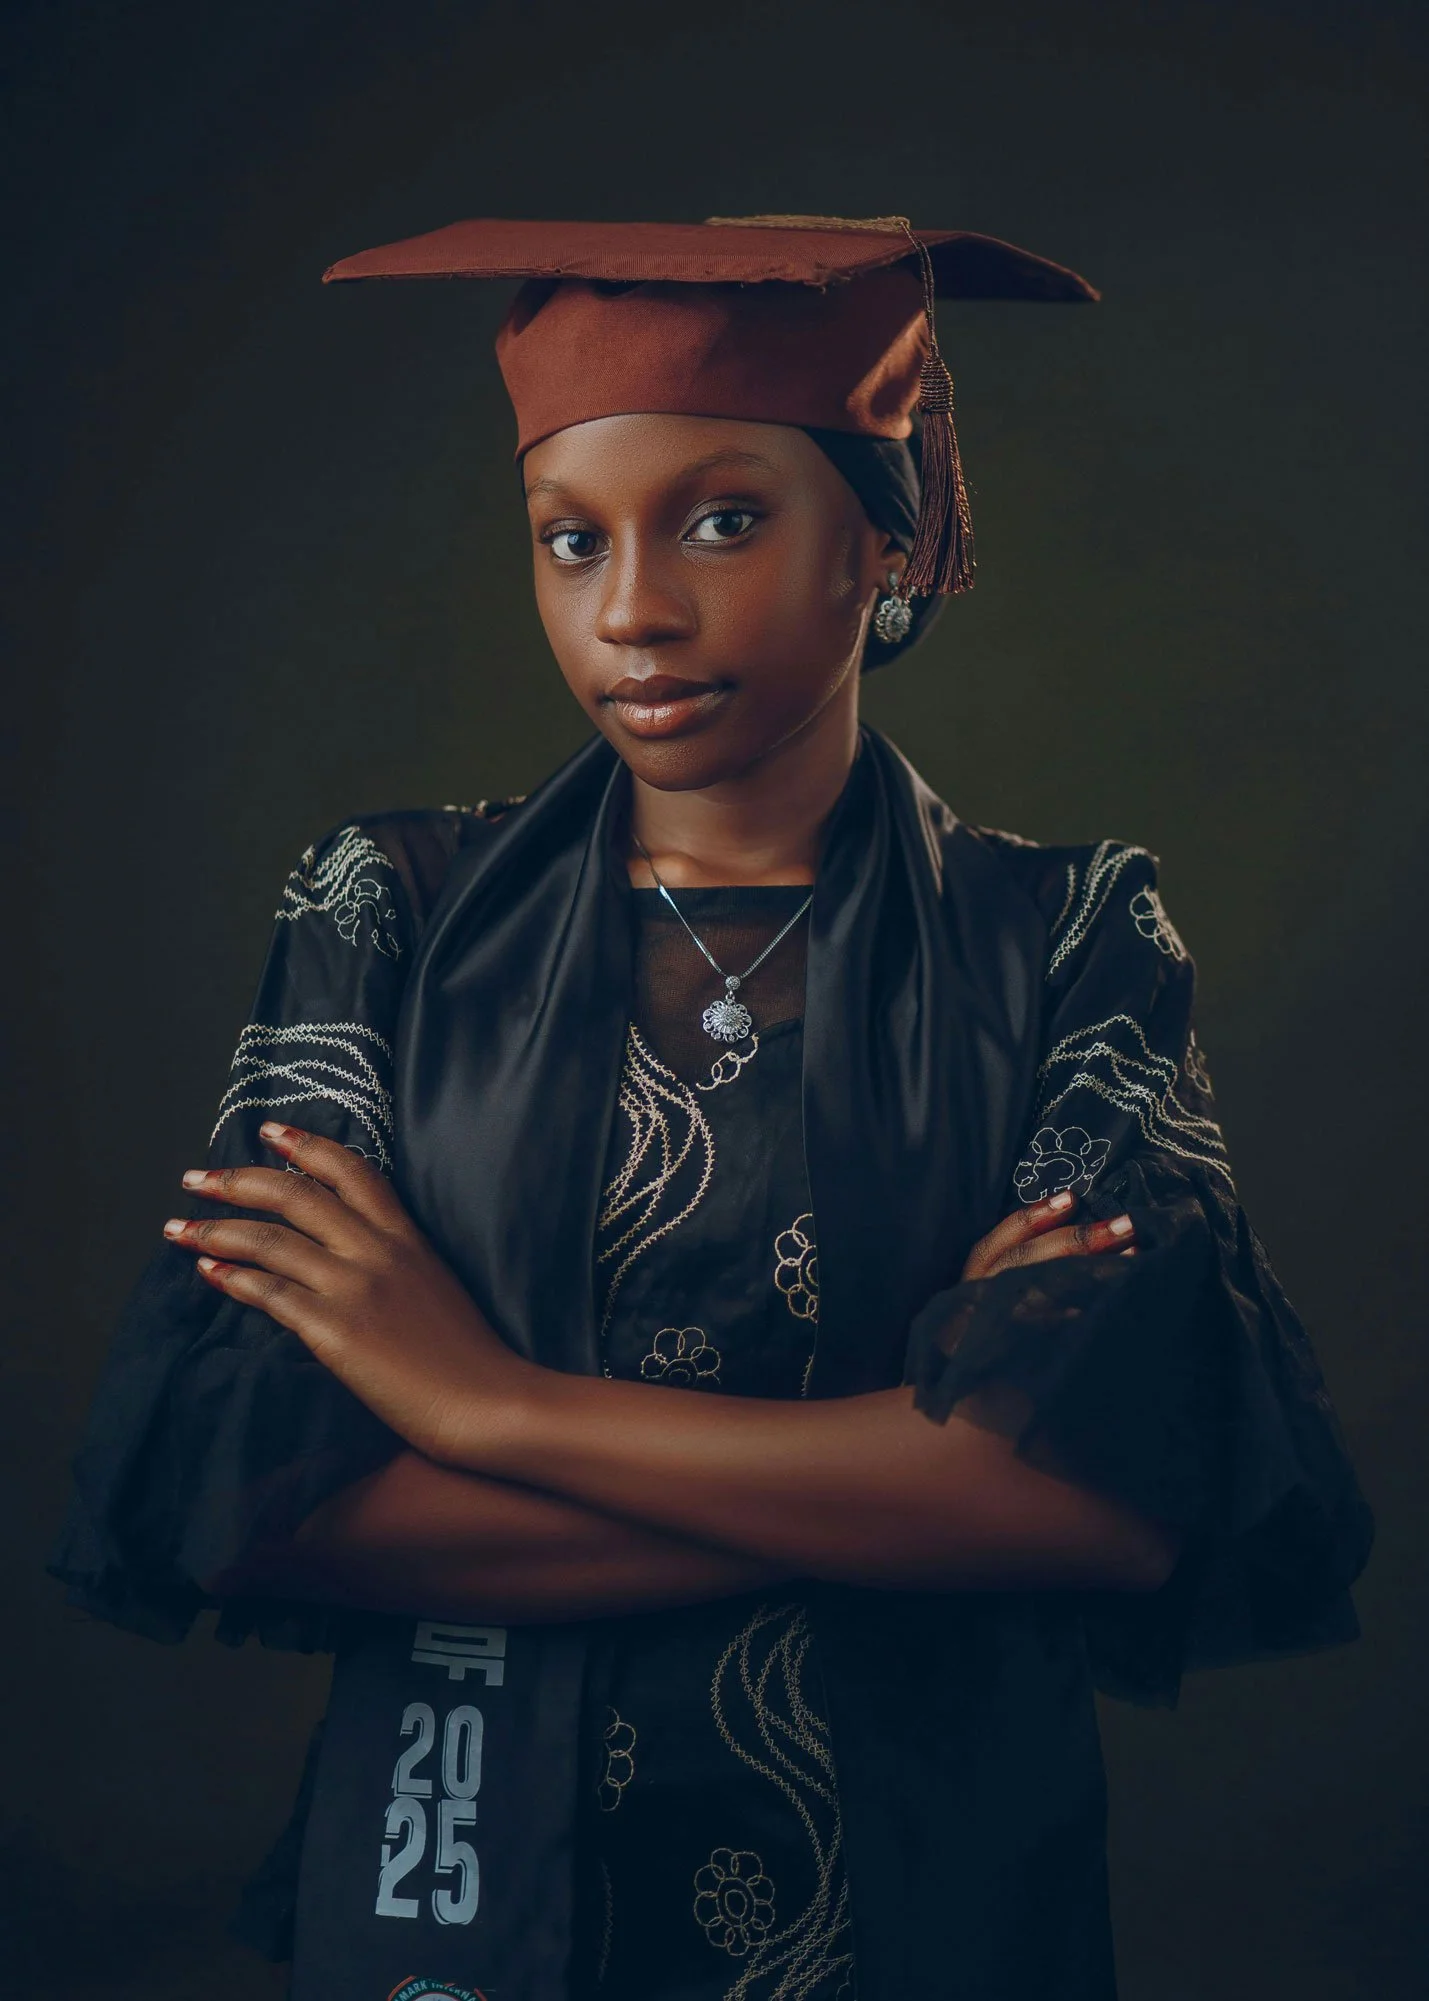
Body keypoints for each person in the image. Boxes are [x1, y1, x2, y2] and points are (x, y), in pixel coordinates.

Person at [51, 215, 1373, 2001]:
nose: (632, 610)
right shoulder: (390, 918)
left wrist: (480, 1403)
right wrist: (901, 1479)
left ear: (885, 536)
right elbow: (258, 1501)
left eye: (725, 519)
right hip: (455, 1904)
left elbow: (1109, 1503)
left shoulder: (1067, 939)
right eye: (571, 539)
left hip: (918, 1911)